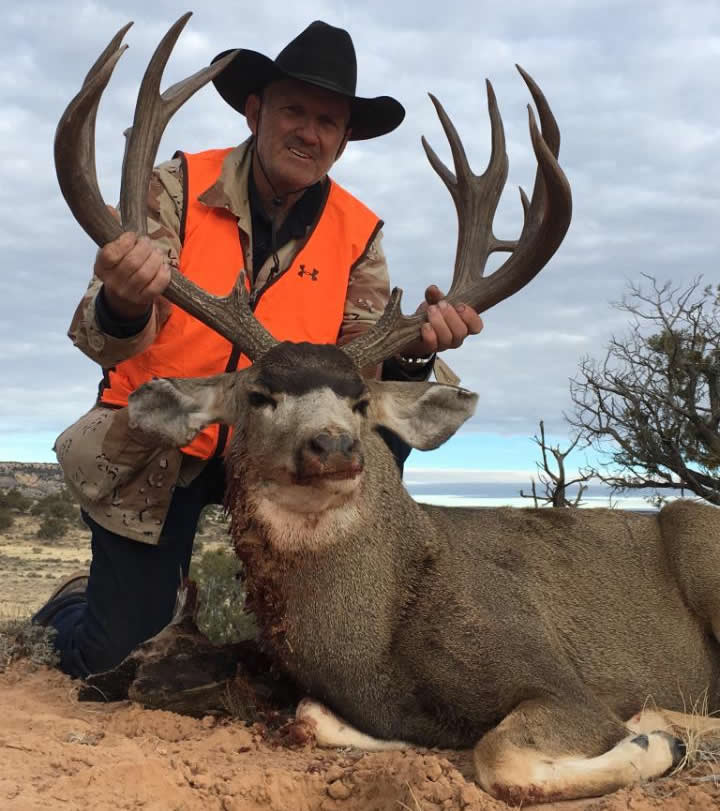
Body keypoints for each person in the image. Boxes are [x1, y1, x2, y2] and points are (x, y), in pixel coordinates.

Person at [34, 21, 483, 677]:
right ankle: (70, 607)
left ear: (343, 139)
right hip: (164, 436)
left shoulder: (357, 234)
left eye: (328, 122)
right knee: (115, 666)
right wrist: (124, 300)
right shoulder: (175, 189)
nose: (309, 132)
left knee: (319, 651)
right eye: (294, 110)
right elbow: (94, 337)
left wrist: (415, 355)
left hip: (283, 448)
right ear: (255, 112)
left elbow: (358, 370)